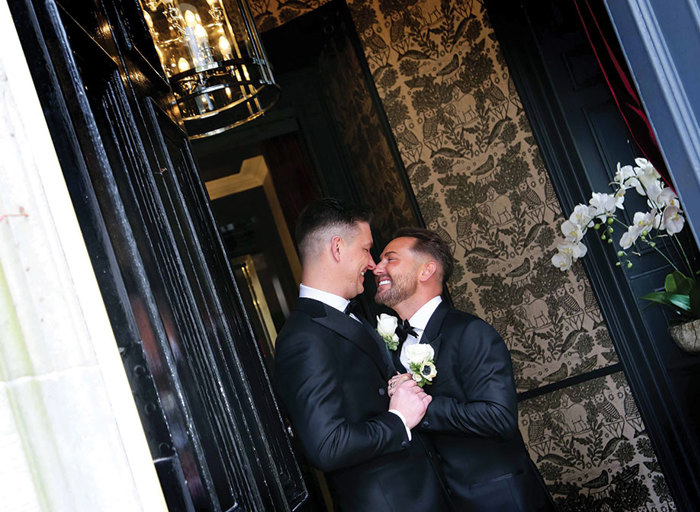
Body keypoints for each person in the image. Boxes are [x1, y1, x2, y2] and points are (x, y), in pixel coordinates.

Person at [274, 200, 449, 511]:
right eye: (367, 249)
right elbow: (327, 446)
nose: (372, 263)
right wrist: (398, 420)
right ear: (338, 248)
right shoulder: (303, 338)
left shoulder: (347, 315)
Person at [374, 227, 556, 511]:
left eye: (390, 259)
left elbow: (498, 417)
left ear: (426, 271)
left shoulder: (470, 332)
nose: (377, 267)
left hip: (499, 501)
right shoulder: (391, 347)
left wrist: (417, 408)